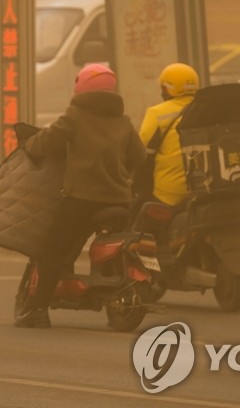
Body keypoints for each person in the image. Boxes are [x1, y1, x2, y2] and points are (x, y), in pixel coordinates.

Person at [14, 63, 145, 329]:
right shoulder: (124, 121)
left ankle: (37, 310)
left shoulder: (75, 116)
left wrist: (29, 145)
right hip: (119, 201)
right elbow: (139, 156)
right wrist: (123, 175)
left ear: (80, 87)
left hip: (82, 202)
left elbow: (47, 142)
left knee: (51, 249)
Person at [137, 62, 200, 209]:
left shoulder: (156, 113)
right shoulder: (204, 108)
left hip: (169, 194)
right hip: (201, 188)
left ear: (168, 89)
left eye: (163, 87)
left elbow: (140, 150)